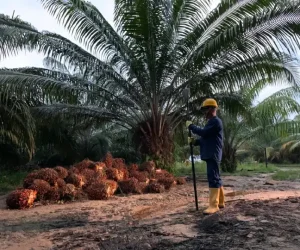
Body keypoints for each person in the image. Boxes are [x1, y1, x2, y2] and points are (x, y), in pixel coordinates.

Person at [186, 98, 224, 215]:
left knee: (213, 178)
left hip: (213, 153)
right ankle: (221, 202)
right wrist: (195, 142)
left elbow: (203, 133)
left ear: (212, 109)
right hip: (211, 153)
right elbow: (205, 139)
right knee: (216, 176)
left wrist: (191, 126)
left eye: (206, 109)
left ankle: (214, 205)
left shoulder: (215, 121)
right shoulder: (210, 123)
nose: (204, 112)